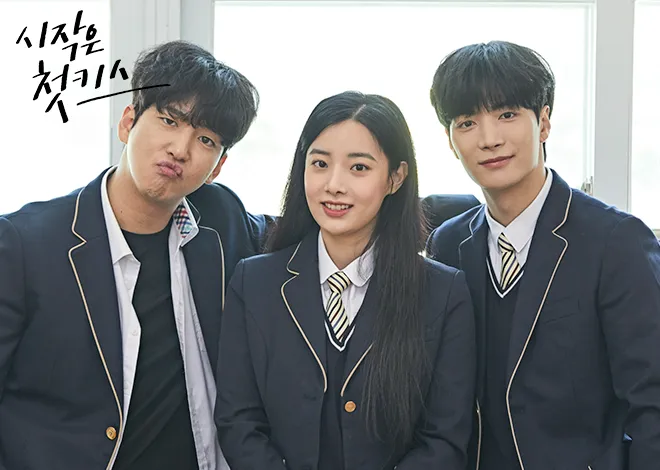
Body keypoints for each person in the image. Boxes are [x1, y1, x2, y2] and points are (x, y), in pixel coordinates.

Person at [0, 40, 271, 470]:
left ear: (217, 167)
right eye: (168, 120)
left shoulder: (223, 220)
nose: (180, 149)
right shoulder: (24, 244)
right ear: (128, 122)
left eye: (205, 139)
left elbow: (311, 230)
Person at [426, 40, 660, 470]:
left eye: (507, 114)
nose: (490, 139)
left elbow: (653, 403)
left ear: (544, 122)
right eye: (467, 122)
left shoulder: (616, 241)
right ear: (451, 141)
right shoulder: (447, 245)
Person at [215, 91, 476, 470]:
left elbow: (444, 439)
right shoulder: (253, 282)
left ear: (395, 177)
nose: (334, 184)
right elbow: (238, 422)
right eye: (320, 163)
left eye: (359, 168)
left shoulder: (443, 293)